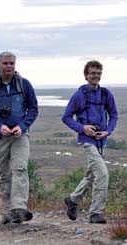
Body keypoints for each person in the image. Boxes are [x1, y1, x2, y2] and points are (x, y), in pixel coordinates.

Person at [0, 51, 38, 224]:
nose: (9, 66)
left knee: (20, 168)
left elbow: (33, 109)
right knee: (4, 174)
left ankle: (18, 208)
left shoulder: (24, 85)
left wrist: (22, 126)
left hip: (20, 135)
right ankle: (6, 212)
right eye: (6, 63)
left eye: (12, 63)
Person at [62, 60, 118, 224]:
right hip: (87, 141)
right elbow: (66, 117)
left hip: (102, 141)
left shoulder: (106, 94)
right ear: (86, 75)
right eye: (93, 73)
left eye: (99, 73)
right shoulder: (79, 95)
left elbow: (114, 115)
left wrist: (108, 130)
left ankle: (72, 200)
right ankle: (96, 213)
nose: (96, 76)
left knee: (91, 175)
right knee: (102, 174)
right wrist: (82, 128)